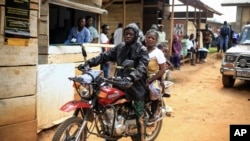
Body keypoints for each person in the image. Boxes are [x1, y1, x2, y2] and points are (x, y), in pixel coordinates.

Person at [81, 23, 149, 141]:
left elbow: (142, 67)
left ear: (136, 35)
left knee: (139, 116)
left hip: (136, 85)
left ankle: (141, 137)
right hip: (119, 83)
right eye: (126, 34)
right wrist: (89, 63)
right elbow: (104, 56)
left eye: (130, 34)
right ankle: (113, 130)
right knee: (108, 106)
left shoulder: (141, 49)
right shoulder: (120, 47)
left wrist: (132, 77)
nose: (127, 36)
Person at [144, 29, 166, 123]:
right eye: (148, 37)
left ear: (156, 41)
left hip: (154, 76)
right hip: (141, 75)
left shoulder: (158, 52)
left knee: (153, 89)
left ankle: (155, 111)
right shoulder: (142, 50)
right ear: (145, 38)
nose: (150, 39)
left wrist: (151, 79)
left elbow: (162, 69)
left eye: (153, 38)